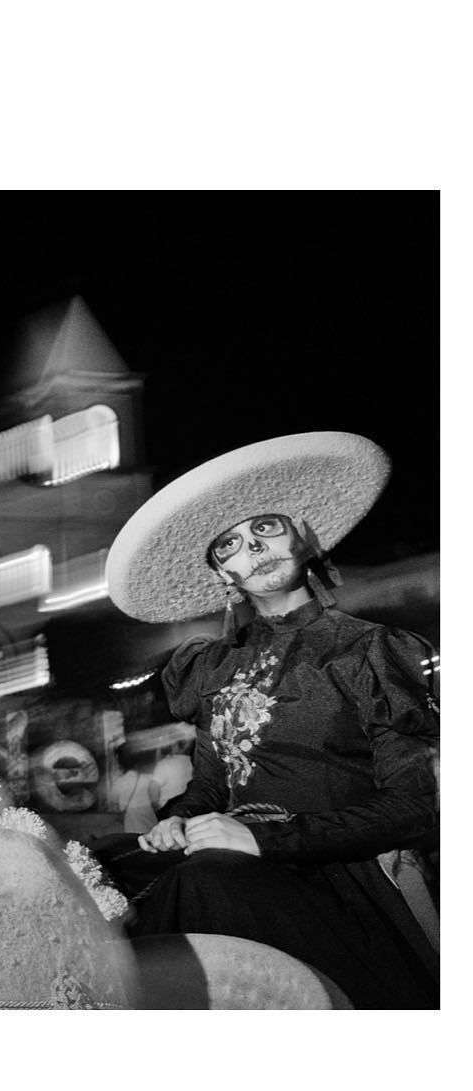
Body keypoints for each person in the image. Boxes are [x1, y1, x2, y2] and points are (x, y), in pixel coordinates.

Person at [95, 431, 438, 1009]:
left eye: (265, 530)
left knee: (201, 881)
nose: (252, 550)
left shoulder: (369, 650)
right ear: (222, 576)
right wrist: (176, 822)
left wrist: (263, 839)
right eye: (229, 545)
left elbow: (416, 807)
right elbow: (207, 787)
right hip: (230, 857)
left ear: (302, 539)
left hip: (330, 873)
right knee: (101, 859)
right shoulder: (210, 665)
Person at [109, 743, 162, 836]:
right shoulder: (150, 779)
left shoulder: (118, 783)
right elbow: (156, 803)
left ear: (120, 763)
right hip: (152, 829)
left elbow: (114, 805)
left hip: (131, 831)